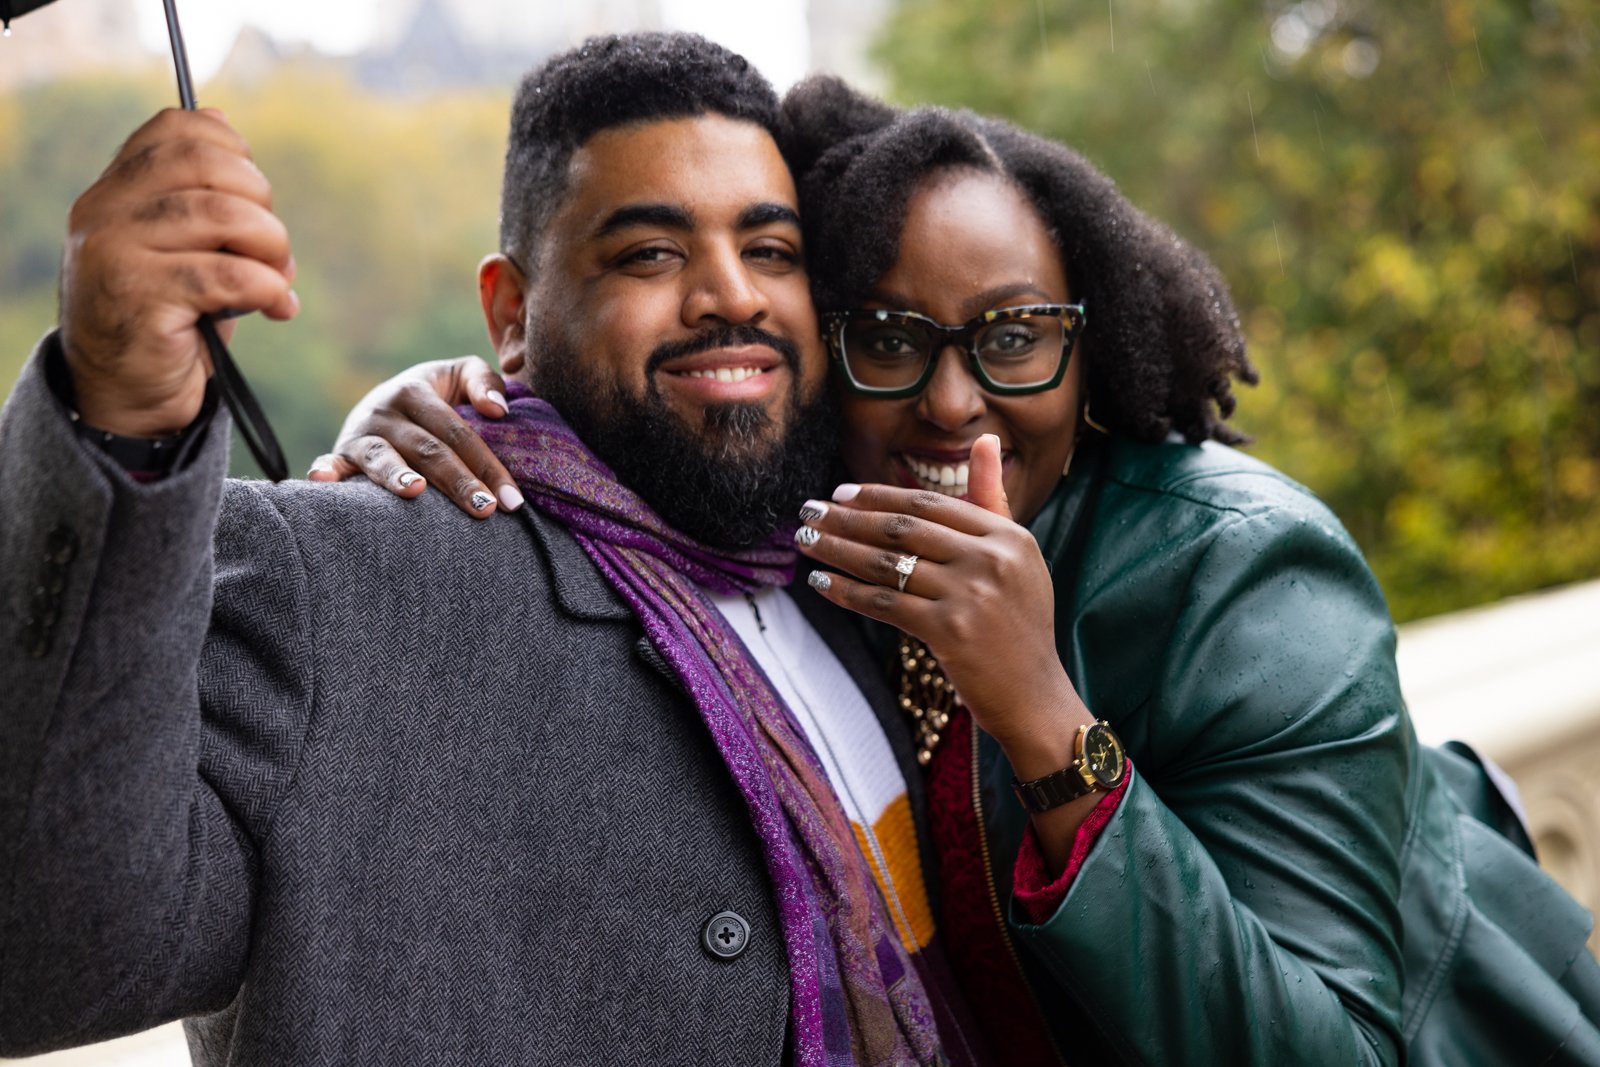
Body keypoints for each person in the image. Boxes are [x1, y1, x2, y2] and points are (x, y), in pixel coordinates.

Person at [331, 76, 1600, 1065]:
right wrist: (447, 398)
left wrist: (1043, 716)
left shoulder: (1245, 573)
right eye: (887, 337)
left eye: (1013, 336)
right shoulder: (815, 541)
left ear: (1090, 345)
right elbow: (656, 378)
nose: (954, 402)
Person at [0, 35, 989, 1066]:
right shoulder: (336, 584)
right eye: (649, 253)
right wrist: (115, 414)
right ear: (510, 314)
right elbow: (47, 955)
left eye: (771, 251)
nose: (730, 294)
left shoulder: (859, 576)